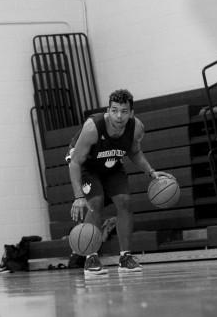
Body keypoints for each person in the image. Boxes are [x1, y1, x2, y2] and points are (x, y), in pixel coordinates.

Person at [67, 89, 168, 277]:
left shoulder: (136, 127)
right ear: (108, 110)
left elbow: (134, 152)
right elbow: (75, 163)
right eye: (114, 110)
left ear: (131, 113)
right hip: (86, 165)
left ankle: (125, 257)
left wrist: (151, 172)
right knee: (95, 203)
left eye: (123, 111)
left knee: (125, 201)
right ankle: (91, 258)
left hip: (111, 165)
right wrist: (78, 197)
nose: (119, 115)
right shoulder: (92, 128)